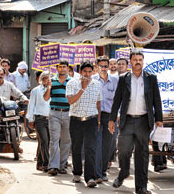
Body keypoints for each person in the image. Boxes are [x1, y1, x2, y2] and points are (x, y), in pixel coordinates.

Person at [108, 51, 163, 194]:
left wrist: (159, 119)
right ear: (130, 62)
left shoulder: (151, 79)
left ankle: (141, 186)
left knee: (142, 154)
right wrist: (112, 119)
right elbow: (117, 100)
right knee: (124, 150)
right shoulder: (123, 79)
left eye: (140, 60)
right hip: (127, 120)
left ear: (143, 62)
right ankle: (124, 172)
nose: (138, 62)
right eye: (135, 60)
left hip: (144, 121)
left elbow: (157, 100)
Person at [66, 60, 102, 188]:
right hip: (76, 119)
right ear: (80, 72)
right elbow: (70, 101)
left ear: (93, 72)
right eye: (84, 71)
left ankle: (90, 177)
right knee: (76, 148)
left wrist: (98, 120)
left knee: (90, 148)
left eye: (89, 71)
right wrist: (83, 88)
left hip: (91, 119)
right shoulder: (71, 83)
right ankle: (77, 172)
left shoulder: (97, 84)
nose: (87, 74)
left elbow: (98, 102)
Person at [0, 67, 28, 143]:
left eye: (2, 74)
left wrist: (24, 98)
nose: (0, 76)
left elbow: (17, 92)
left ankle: (16, 143)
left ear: (4, 75)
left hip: (6, 107)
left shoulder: (9, 84)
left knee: (17, 116)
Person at [92, 56, 119, 183]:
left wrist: (117, 115)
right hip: (95, 115)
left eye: (105, 66)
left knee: (108, 145)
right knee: (97, 144)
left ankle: (103, 171)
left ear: (109, 67)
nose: (103, 68)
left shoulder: (115, 80)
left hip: (109, 117)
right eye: (101, 66)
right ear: (97, 67)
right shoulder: (91, 80)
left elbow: (120, 99)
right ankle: (97, 173)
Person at [43, 60, 71, 176]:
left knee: (66, 140)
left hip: (68, 113)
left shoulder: (72, 82)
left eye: (64, 67)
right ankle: (53, 166)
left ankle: (62, 165)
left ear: (68, 68)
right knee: (54, 140)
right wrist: (48, 87)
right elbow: (45, 98)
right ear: (57, 68)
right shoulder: (52, 81)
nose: (63, 69)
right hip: (54, 113)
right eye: (60, 67)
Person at [27, 71, 50, 172]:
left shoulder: (53, 90)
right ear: (41, 79)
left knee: (45, 142)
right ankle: (46, 164)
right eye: (45, 78)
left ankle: (40, 163)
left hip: (51, 118)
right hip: (40, 119)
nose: (47, 80)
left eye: (49, 78)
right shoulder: (36, 91)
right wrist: (31, 119)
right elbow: (31, 105)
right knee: (44, 140)